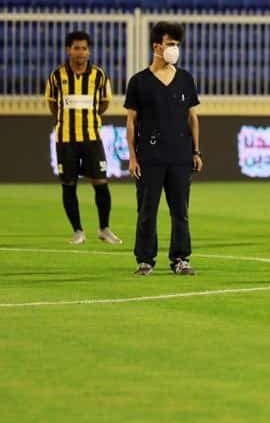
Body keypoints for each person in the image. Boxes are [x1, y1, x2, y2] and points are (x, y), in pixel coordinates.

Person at [125, 22, 201, 276]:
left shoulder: (185, 79)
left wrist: (196, 151)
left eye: (177, 45)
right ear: (157, 46)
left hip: (180, 155)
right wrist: (133, 157)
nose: (174, 49)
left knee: (181, 210)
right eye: (170, 44)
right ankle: (145, 259)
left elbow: (193, 118)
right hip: (150, 156)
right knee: (147, 211)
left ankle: (181, 258)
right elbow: (131, 121)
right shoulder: (139, 82)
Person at [45, 31, 121, 245]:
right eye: (76, 48)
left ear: (89, 51)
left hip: (91, 138)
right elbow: (53, 105)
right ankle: (78, 230)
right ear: (68, 50)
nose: (81, 52)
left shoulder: (99, 76)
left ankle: (104, 228)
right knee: (68, 184)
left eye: (84, 48)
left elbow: (104, 103)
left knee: (101, 182)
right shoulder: (56, 76)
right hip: (65, 139)